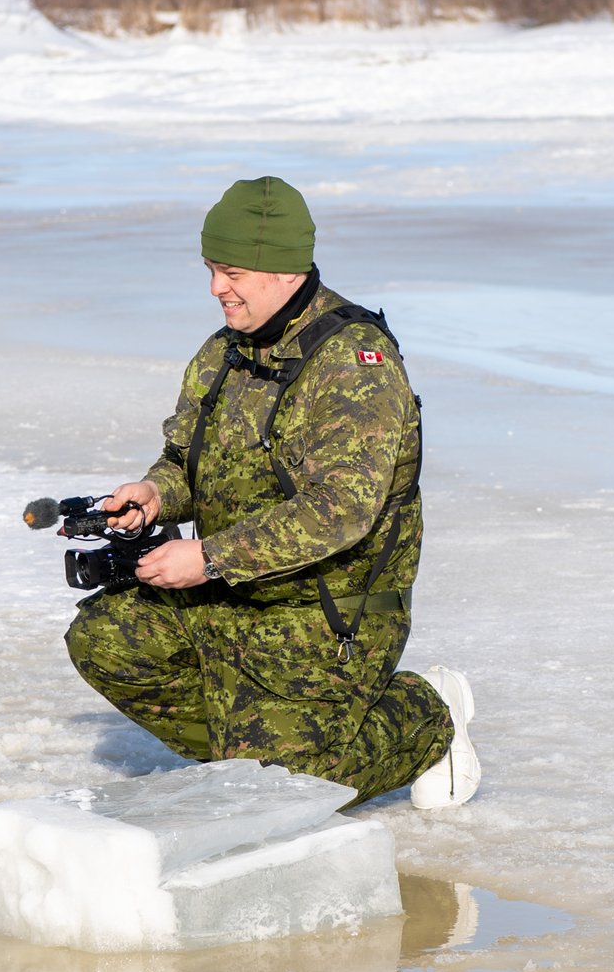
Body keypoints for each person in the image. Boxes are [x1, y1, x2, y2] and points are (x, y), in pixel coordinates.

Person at [65, 176, 480, 808]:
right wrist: (155, 493)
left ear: (282, 270)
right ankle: (250, 752)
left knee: (292, 791)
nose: (215, 289)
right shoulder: (223, 353)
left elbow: (341, 511)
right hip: (229, 595)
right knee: (106, 639)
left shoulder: (351, 363)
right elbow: (188, 459)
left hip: (323, 614)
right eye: (209, 269)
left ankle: (424, 715)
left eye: (230, 271)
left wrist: (207, 558)